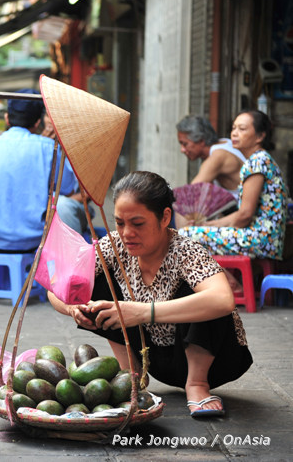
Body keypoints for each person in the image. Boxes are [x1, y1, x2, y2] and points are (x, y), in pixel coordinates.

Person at [49, 171, 252, 417]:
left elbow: (223, 299)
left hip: (215, 361)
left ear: (165, 217)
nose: (126, 233)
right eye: (120, 223)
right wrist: (72, 308)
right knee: (93, 283)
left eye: (138, 223)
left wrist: (143, 312)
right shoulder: (114, 246)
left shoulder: (186, 252)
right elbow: (57, 284)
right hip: (154, 357)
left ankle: (197, 384)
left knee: (202, 295)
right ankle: (131, 375)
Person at [0, 90, 76, 265]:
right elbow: (67, 189)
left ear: (7, 118)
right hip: (36, 240)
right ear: (37, 122)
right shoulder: (51, 149)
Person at [178, 110, 289, 260]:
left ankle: (232, 283)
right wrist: (209, 224)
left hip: (261, 239)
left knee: (186, 235)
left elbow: (244, 215)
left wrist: (210, 226)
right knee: (195, 232)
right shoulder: (259, 159)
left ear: (260, 136)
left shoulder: (257, 162)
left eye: (242, 129)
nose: (235, 133)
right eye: (233, 128)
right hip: (264, 238)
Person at [39, 111, 94, 235]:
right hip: (42, 204)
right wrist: (42, 147)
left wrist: (56, 202)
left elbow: (90, 193)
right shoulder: (39, 144)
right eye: (48, 115)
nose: (51, 121)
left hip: (70, 205)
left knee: (63, 206)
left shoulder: (83, 148)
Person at [176, 115, 245, 199]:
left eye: (185, 144)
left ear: (201, 141)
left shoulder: (218, 156)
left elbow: (190, 193)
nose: (182, 150)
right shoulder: (224, 142)